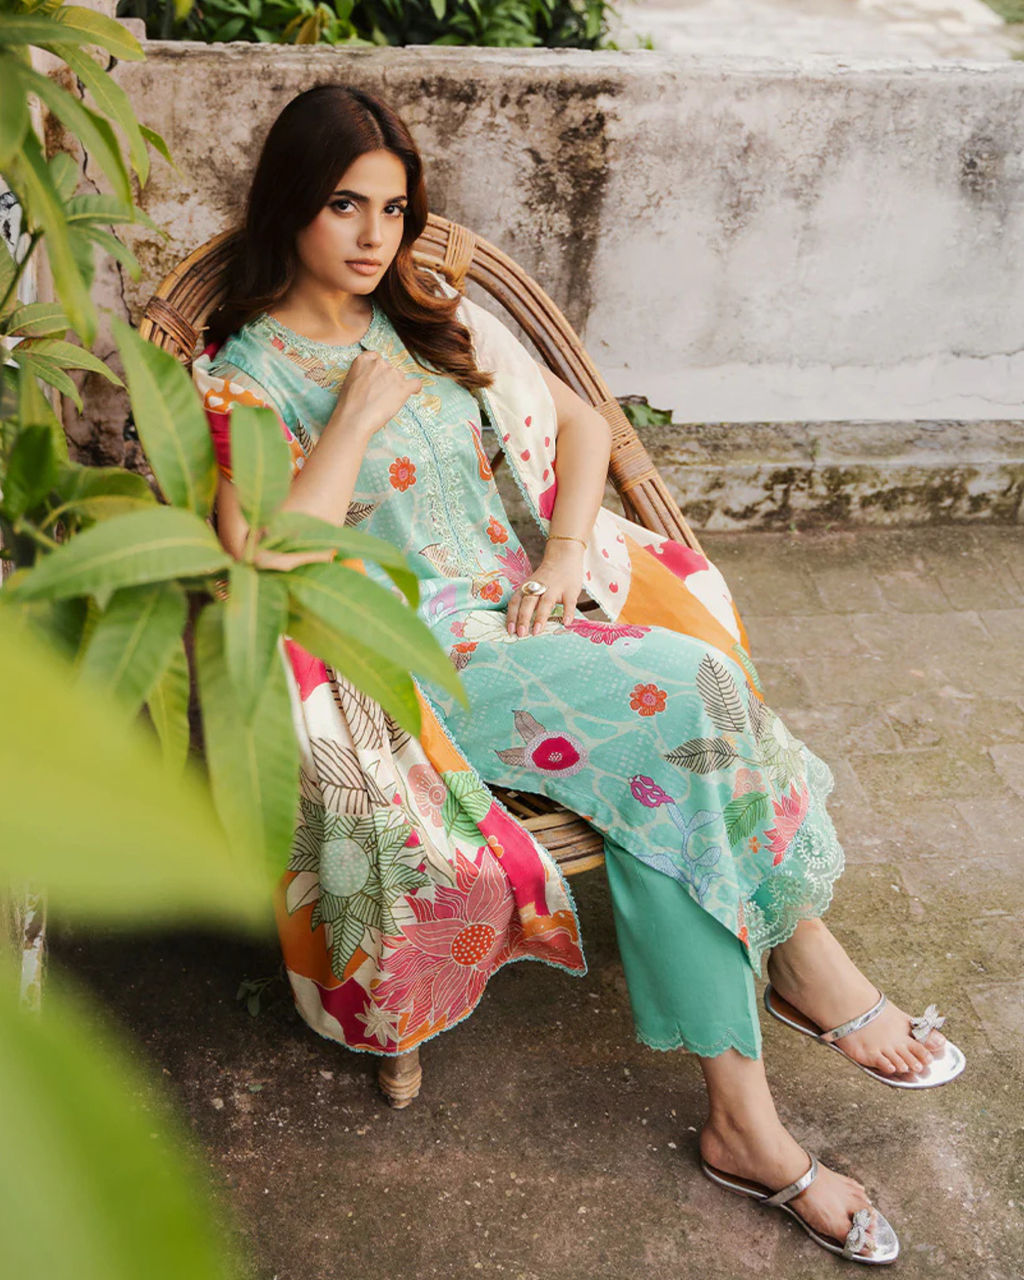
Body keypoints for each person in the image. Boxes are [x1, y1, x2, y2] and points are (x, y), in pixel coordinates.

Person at [198, 82, 963, 1266]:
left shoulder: (428, 312)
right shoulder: (242, 373)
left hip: (525, 615)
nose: (372, 236)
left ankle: (747, 1123)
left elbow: (584, 424)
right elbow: (263, 555)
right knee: (692, 693)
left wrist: (560, 551)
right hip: (419, 660)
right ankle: (803, 963)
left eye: (393, 209)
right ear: (290, 201)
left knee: (668, 768)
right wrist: (347, 417)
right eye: (344, 204)